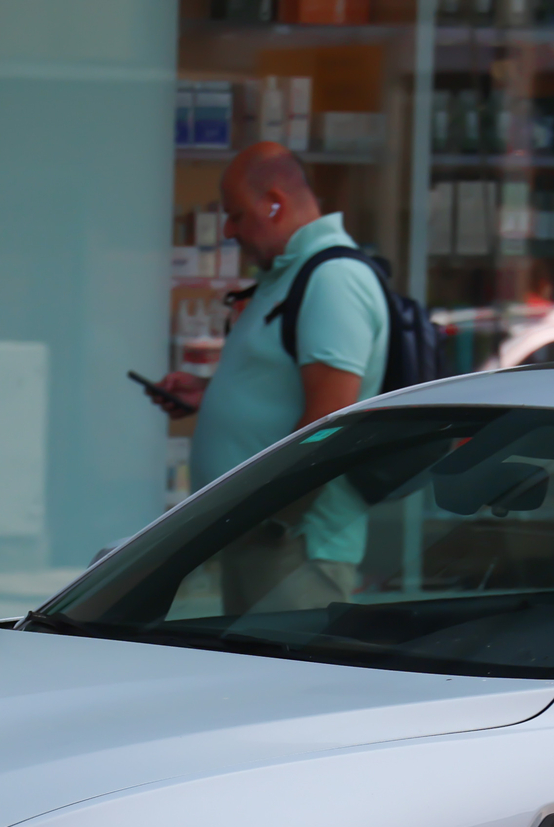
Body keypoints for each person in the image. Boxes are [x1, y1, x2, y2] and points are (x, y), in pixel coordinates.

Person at [152, 143, 390, 603]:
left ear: (274, 203)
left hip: (294, 548)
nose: (228, 229)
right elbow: (288, 388)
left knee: (288, 674)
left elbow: (332, 422)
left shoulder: (332, 278)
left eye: (236, 215)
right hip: (261, 539)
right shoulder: (286, 274)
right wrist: (211, 394)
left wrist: (269, 521)